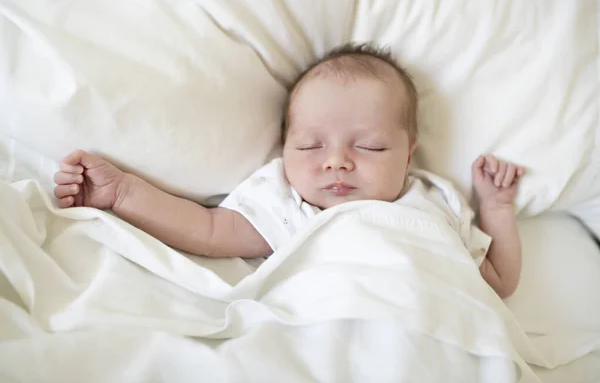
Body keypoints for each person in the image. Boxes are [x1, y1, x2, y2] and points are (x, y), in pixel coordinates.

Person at [53, 43, 525, 299]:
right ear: (286, 148)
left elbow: (498, 284)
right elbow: (209, 230)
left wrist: (496, 207)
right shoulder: (293, 207)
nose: (336, 160)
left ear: (408, 154)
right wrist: (124, 194)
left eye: (369, 146)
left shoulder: (435, 202)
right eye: (310, 145)